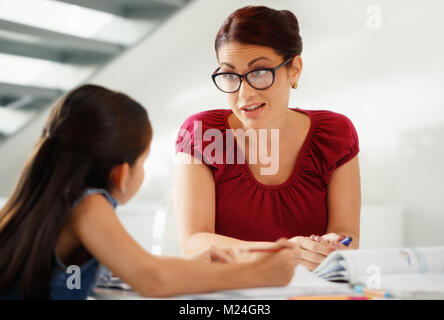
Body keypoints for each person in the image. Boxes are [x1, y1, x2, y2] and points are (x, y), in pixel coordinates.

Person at [0, 84, 300, 300]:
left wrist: (191, 265)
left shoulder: (39, 201)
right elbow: (151, 279)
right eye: (143, 161)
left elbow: (138, 265)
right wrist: (261, 275)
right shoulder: (88, 206)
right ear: (121, 173)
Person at [174, 5, 361, 270]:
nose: (244, 94)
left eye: (259, 72)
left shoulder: (336, 134)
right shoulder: (201, 133)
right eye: (229, 75)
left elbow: (347, 239)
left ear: (294, 69)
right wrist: (282, 251)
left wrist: (330, 246)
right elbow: (193, 241)